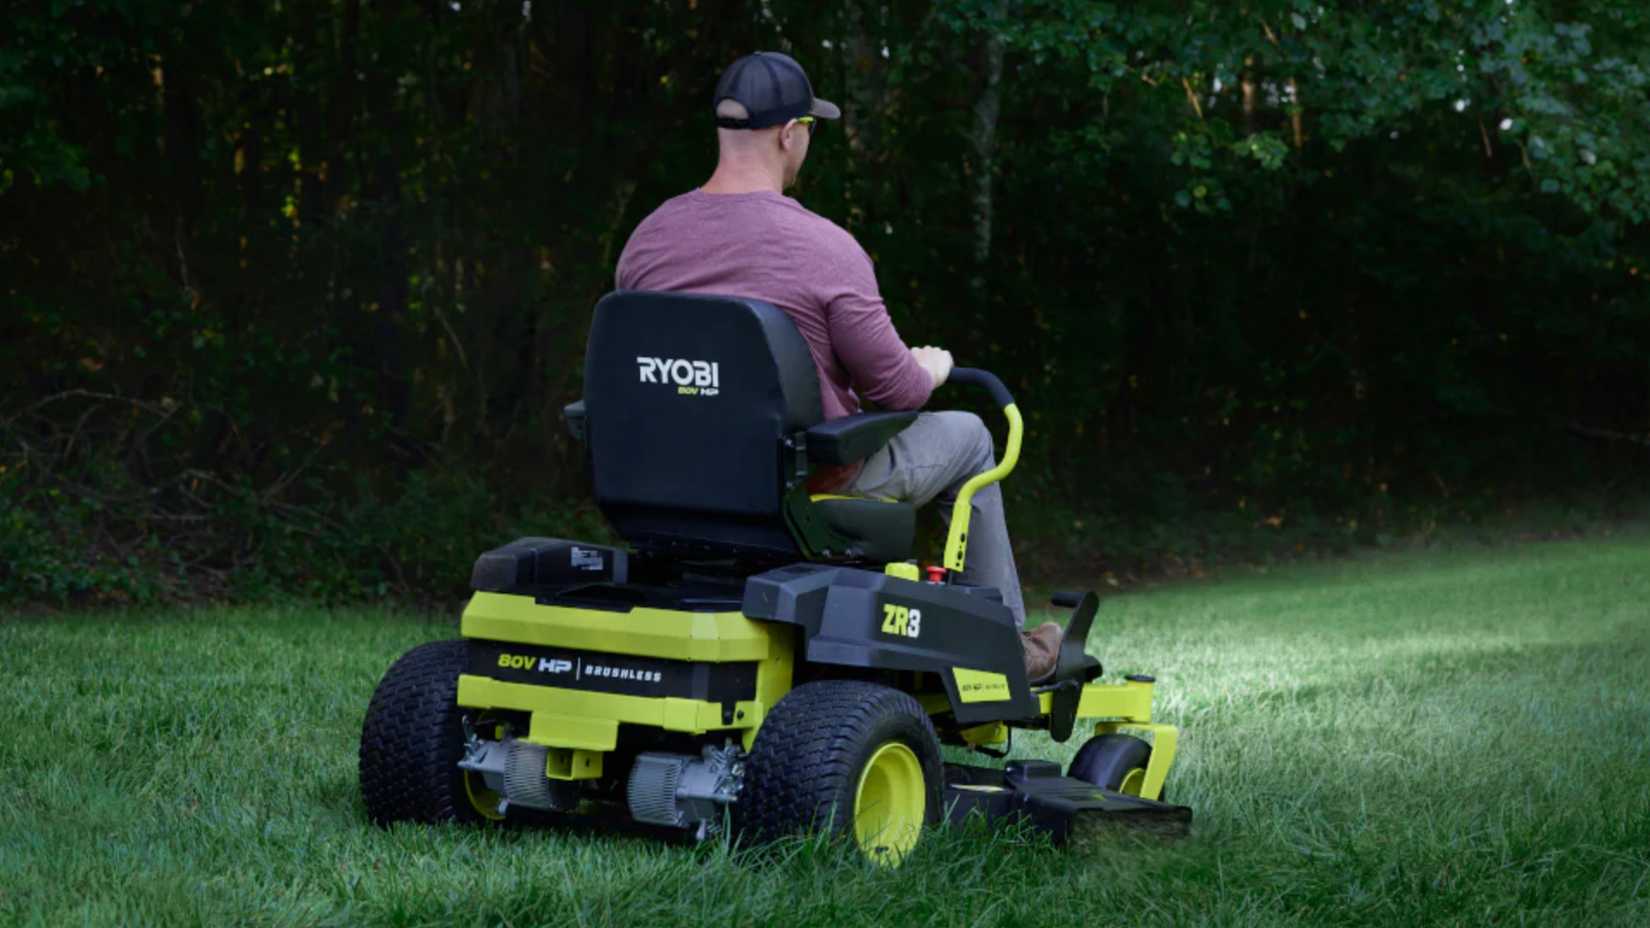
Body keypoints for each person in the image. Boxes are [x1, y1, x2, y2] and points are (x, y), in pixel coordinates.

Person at [613, 51, 1063, 681]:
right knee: (971, 436)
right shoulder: (824, 248)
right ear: (790, 134)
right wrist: (930, 369)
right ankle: (1009, 647)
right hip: (799, 489)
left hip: (667, 486)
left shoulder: (649, 239)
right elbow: (896, 388)